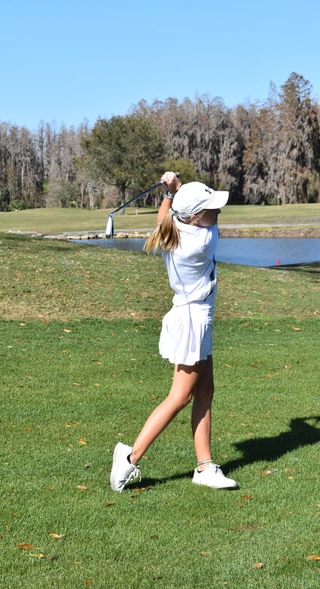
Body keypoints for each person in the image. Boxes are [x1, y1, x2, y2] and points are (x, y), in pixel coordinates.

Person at [110, 172, 238, 492]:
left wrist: (171, 193)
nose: (218, 212)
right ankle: (129, 459)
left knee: (205, 391)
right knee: (180, 396)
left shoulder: (174, 230)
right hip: (194, 321)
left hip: (191, 317)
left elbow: (164, 216)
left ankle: (204, 466)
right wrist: (177, 190)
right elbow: (176, 214)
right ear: (195, 217)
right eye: (211, 209)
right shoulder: (203, 240)